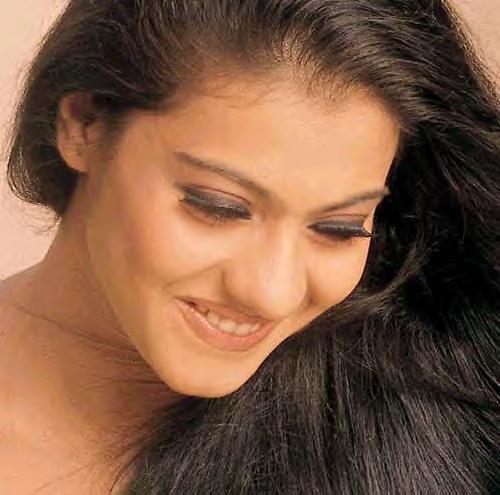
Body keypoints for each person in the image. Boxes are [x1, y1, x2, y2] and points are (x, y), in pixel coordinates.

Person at [0, 0, 498, 493]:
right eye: (219, 207)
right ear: (84, 123)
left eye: (339, 229)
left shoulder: (431, 420)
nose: (272, 294)